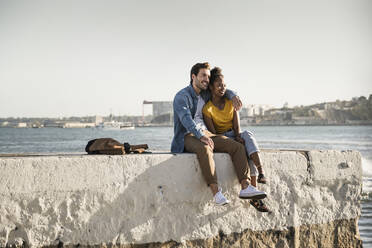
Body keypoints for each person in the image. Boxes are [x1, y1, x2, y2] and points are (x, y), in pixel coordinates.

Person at [171, 62, 267, 206]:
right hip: (187, 136)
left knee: (237, 146)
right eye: (203, 75)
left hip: (206, 133)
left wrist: (234, 95)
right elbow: (186, 120)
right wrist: (200, 135)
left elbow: (223, 89)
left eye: (208, 77)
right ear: (193, 77)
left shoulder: (205, 92)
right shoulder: (181, 96)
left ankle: (246, 187)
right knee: (205, 148)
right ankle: (216, 193)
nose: (206, 79)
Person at [201, 67, 269, 212]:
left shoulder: (230, 101)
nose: (222, 88)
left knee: (247, 136)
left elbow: (236, 124)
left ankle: (261, 172)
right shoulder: (207, 109)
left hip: (234, 133)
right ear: (211, 87)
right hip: (222, 137)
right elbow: (213, 132)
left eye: (224, 85)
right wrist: (231, 141)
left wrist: (238, 136)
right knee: (241, 148)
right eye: (219, 85)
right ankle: (254, 197)